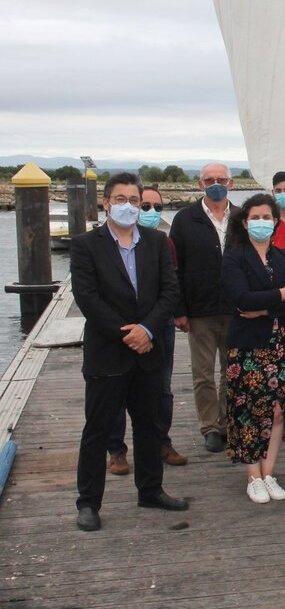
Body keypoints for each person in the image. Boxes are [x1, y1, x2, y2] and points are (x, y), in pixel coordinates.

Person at [70, 172, 189, 532]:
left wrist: (147, 329)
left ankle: (150, 491)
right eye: (120, 199)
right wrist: (129, 333)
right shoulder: (86, 245)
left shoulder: (156, 241)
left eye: (134, 200)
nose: (128, 206)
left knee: (149, 426)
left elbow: (170, 291)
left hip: (149, 349)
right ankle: (89, 502)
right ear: (106, 203)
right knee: (98, 429)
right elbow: (87, 298)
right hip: (108, 353)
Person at [221, 194, 285, 503]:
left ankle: (269, 473)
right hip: (248, 346)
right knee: (249, 411)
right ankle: (253, 476)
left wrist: (267, 308)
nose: (262, 222)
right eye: (255, 218)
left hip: (284, 345)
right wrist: (282, 293)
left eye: (267, 217)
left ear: (275, 221)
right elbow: (242, 299)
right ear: (245, 223)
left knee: (277, 411)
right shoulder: (234, 258)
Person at [107, 186, 187, 475]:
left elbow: (171, 285)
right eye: (145, 206)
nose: (151, 211)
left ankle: (161, 442)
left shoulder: (163, 242)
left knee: (161, 389)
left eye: (157, 207)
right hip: (119, 328)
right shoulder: (103, 243)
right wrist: (130, 329)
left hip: (159, 325)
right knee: (116, 390)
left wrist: (153, 325)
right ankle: (116, 450)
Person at [169, 163, 237, 453]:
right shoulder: (185, 219)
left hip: (235, 308)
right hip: (199, 310)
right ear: (200, 185)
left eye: (221, 179)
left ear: (231, 183)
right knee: (203, 373)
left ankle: (228, 422)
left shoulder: (241, 218)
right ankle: (209, 427)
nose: (215, 184)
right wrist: (179, 309)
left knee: (232, 370)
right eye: (209, 180)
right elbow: (174, 267)